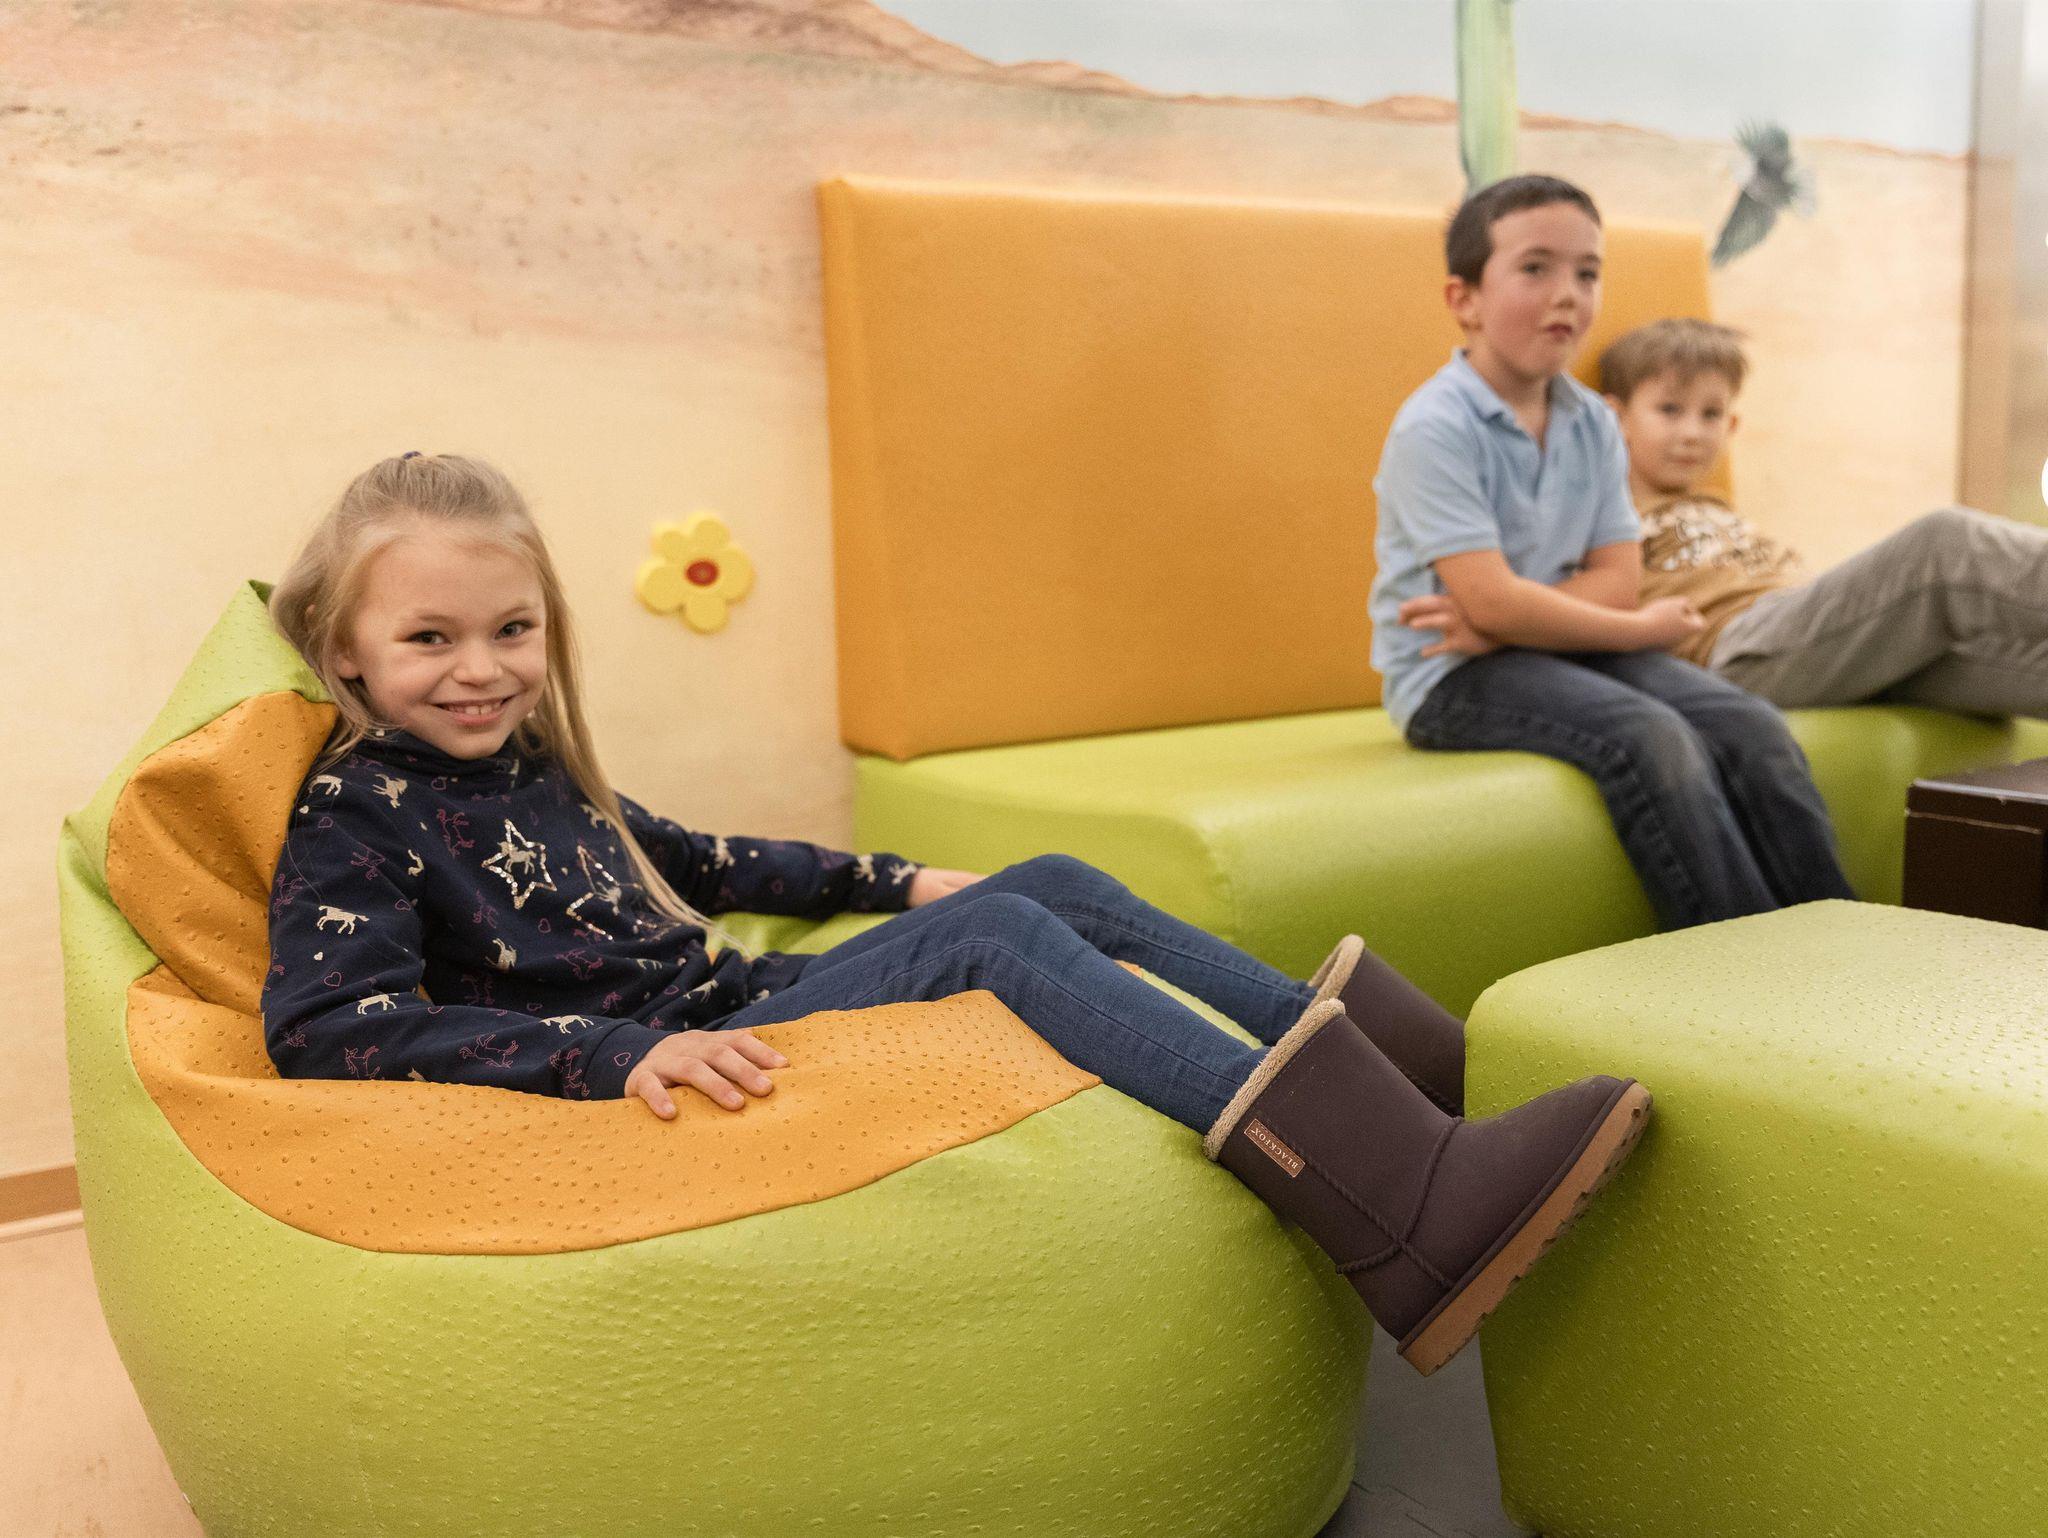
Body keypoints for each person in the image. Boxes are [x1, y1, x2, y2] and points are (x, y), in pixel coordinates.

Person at [261, 451, 1651, 1376]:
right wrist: (618, 1052)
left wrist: (902, 879)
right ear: (346, 652)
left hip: (736, 998)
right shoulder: (354, 811)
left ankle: (1419, 1091)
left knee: (1044, 880)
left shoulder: (530, 764)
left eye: (510, 629)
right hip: (688, 1057)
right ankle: (1397, 1210)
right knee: (1002, 944)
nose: (481, 668)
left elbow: (692, 855)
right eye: (430, 638)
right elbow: (330, 1024)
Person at [1377, 174, 1855, 931]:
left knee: (1751, 726)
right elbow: (1513, 601)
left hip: (1542, 648)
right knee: (1650, 736)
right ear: (1464, 299)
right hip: (1449, 676)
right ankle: (1750, 962)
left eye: (1587, 272)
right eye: (1536, 268)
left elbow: (1613, 580)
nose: (1568, 294)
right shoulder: (1435, 428)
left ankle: (1839, 939)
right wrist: (1623, 629)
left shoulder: (1594, 424)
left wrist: (1507, 619)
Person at [1601, 316, 2048, 716]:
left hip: (1813, 635)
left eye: (1711, 414)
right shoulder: (1607, 513)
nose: (1693, 433)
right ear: (1615, 417)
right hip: (1738, 651)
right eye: (1670, 410)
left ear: (1731, 425)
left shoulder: (1717, 508)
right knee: (1945, 543)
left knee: (1995, 650)